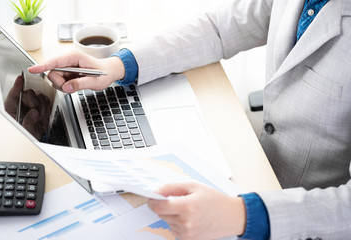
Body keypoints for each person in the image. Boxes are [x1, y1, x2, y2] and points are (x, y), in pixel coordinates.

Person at [29, 0, 351, 239]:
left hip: (305, 216)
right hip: (251, 170)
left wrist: (243, 215)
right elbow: (221, 28)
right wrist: (117, 67)